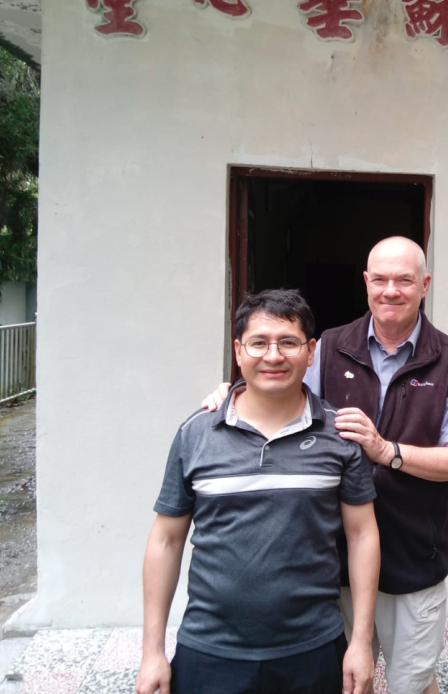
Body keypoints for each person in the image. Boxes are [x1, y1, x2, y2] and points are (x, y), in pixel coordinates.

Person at [204, 237, 448, 694]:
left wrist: (387, 450)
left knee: (412, 681)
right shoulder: (330, 347)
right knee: (351, 680)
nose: (390, 290)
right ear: (366, 283)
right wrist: (232, 392)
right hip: (331, 559)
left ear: (424, 285)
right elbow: (278, 390)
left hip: (413, 559)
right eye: (380, 279)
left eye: (404, 280)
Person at [137, 289, 379, 694]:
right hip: (210, 649)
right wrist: (152, 652)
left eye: (288, 342)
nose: (273, 355)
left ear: (311, 351)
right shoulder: (197, 433)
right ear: (238, 350)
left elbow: (363, 535)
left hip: (314, 647)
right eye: (259, 343)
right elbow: (165, 540)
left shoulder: (340, 436)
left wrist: (360, 643)